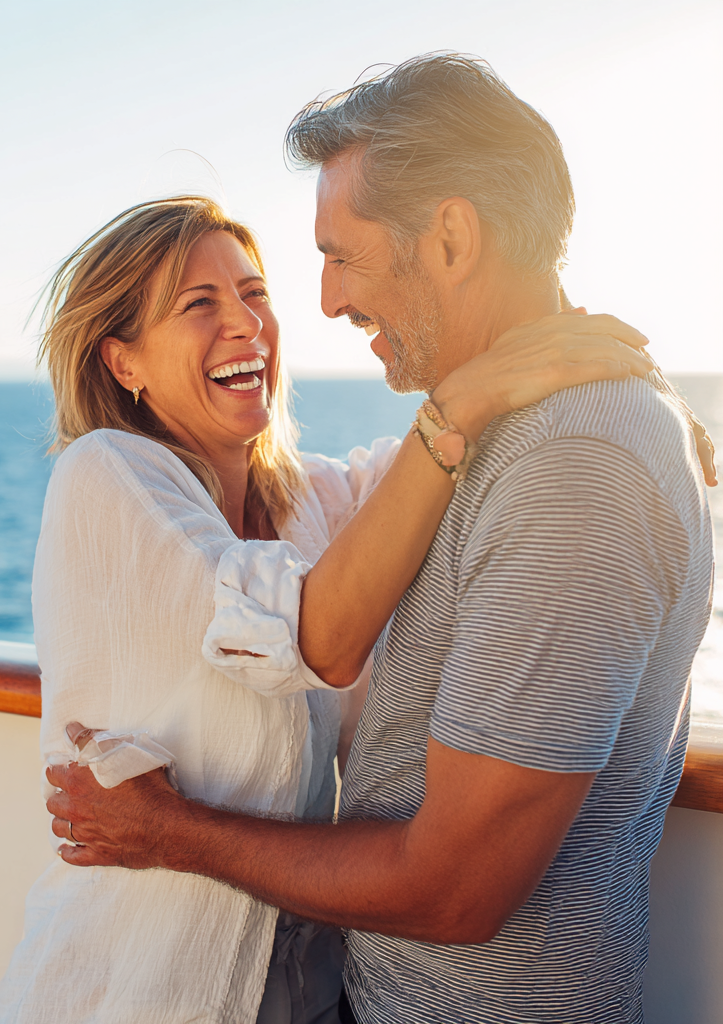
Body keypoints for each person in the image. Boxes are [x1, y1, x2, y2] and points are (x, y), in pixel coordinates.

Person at [46, 55, 717, 1024]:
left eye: (334, 256)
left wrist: (628, 399)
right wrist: (608, 398)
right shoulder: (113, 474)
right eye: (199, 305)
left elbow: (455, 887)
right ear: (123, 360)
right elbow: (333, 588)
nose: (313, 305)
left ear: (449, 235)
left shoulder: (565, 463)